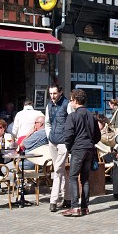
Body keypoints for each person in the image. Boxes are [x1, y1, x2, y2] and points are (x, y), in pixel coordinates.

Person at [62, 89, 101, 217]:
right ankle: (85, 207)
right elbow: (97, 137)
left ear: (76, 101)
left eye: (71, 100)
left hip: (78, 149)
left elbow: (68, 135)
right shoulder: (92, 116)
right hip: (89, 148)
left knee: (73, 177)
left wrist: (69, 148)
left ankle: (74, 207)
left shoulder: (72, 116)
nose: (70, 103)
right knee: (85, 178)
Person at [46, 84, 70, 212]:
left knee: (58, 170)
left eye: (54, 93)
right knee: (59, 170)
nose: (52, 96)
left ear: (60, 92)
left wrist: (68, 138)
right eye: (50, 94)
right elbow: (47, 122)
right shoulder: (49, 105)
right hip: (53, 141)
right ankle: (67, 197)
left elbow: (72, 122)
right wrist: (49, 135)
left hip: (63, 142)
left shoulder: (67, 104)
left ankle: (53, 200)